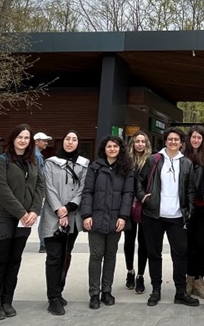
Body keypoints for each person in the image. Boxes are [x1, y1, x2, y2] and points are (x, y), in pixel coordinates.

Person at [0, 124, 44, 321]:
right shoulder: (2, 161)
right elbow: (1, 189)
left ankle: (6, 300)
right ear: (12, 139)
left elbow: (40, 186)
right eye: (20, 137)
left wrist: (35, 210)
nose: (23, 140)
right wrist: (21, 212)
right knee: (1, 259)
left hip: (25, 219)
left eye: (26, 138)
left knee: (15, 259)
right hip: (3, 216)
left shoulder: (34, 161)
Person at [137, 128, 197, 307]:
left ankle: (180, 291)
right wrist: (142, 197)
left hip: (177, 217)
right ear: (165, 141)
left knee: (180, 254)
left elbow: (191, 189)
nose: (173, 142)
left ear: (181, 142)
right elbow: (139, 180)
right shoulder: (153, 159)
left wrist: (190, 209)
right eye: (170, 139)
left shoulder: (186, 163)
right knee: (154, 253)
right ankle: (156, 289)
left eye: (176, 139)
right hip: (153, 215)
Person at [81, 136, 134, 309]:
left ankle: (106, 290)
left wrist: (123, 217)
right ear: (104, 149)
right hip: (95, 219)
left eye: (115, 146)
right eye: (109, 146)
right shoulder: (95, 167)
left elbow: (128, 194)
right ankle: (94, 293)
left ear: (120, 149)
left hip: (115, 220)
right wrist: (86, 215)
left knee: (110, 256)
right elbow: (87, 192)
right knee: (96, 256)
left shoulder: (126, 169)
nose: (112, 149)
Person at [40, 131, 88, 316]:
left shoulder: (84, 164)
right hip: (53, 217)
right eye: (67, 139)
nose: (70, 142)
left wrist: (68, 208)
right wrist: (59, 210)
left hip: (73, 217)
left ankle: (59, 290)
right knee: (54, 257)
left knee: (66, 255)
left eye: (74, 139)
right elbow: (48, 187)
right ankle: (52, 297)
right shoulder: (51, 163)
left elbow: (83, 188)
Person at [184, 126, 204, 298]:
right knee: (187, 245)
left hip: (202, 207)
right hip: (185, 207)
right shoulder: (182, 157)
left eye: (199, 138)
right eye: (193, 137)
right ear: (189, 139)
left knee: (201, 245)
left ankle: (199, 278)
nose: (196, 140)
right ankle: (189, 277)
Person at [124, 132, 151, 294]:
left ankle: (140, 275)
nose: (140, 144)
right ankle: (130, 271)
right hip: (128, 205)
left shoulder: (152, 160)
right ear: (133, 144)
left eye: (143, 141)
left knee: (144, 242)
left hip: (145, 205)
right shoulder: (126, 161)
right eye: (137, 141)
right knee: (129, 240)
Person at [33, 132, 52, 252]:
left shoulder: (36, 155)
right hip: (39, 191)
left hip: (37, 190)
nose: (46, 143)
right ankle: (44, 243)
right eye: (44, 140)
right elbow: (40, 175)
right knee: (44, 217)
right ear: (36, 141)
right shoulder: (37, 156)